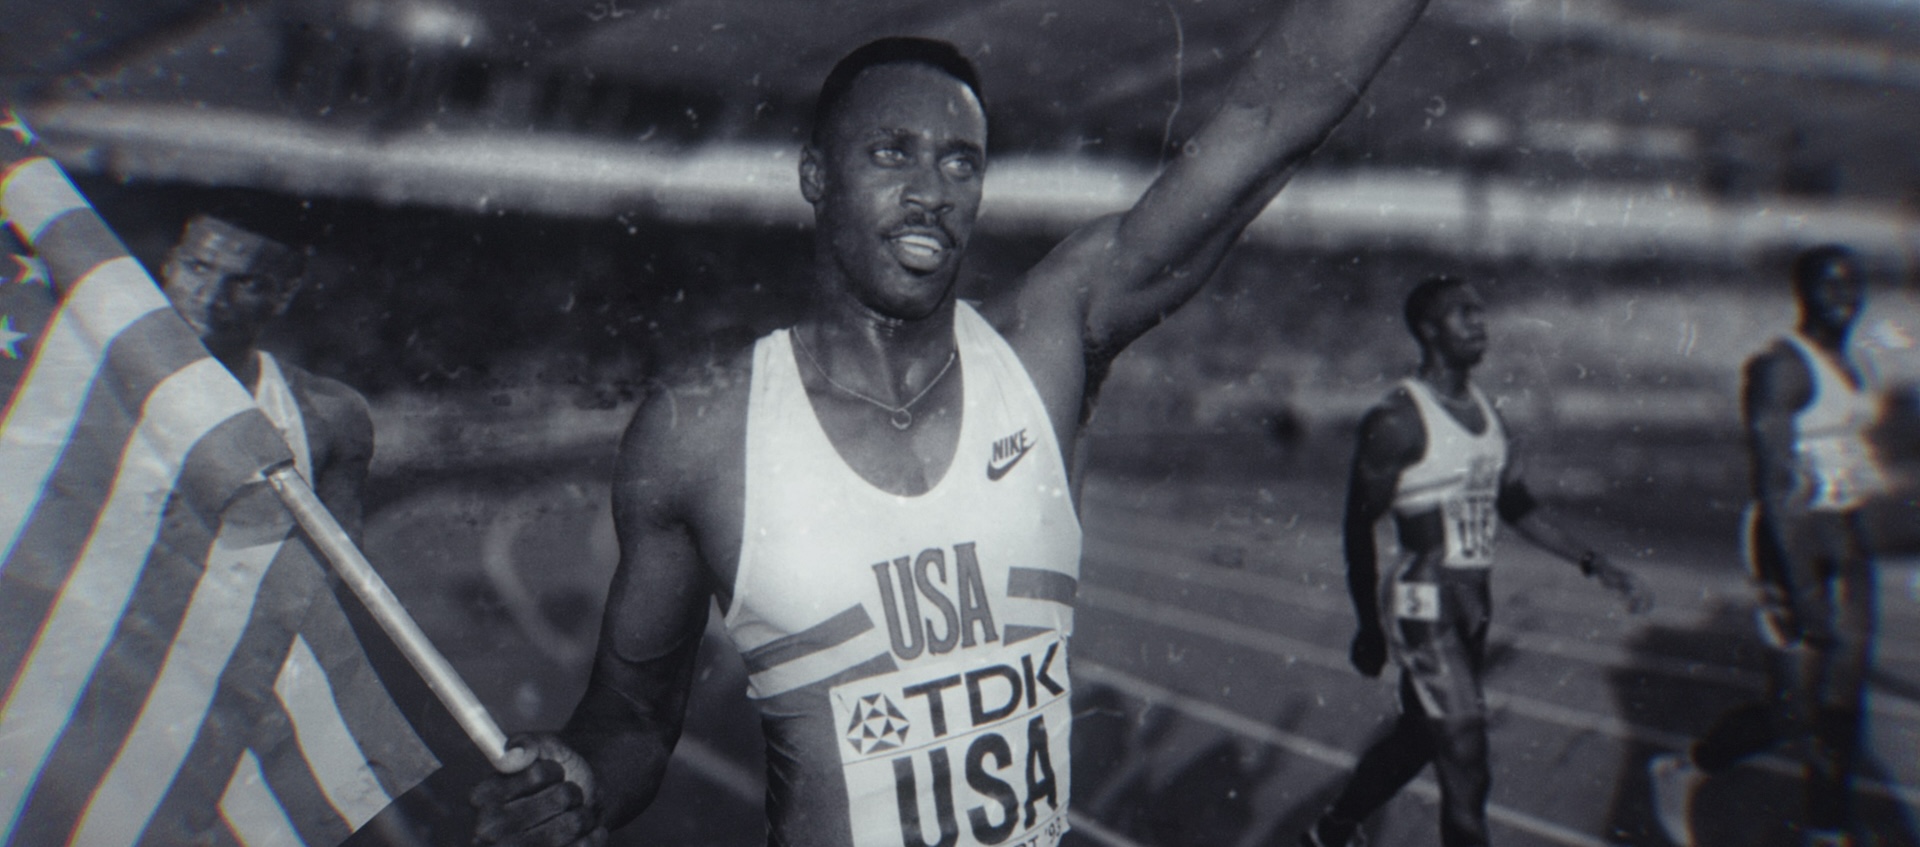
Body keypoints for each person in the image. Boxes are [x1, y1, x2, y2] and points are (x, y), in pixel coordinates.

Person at [469, 4, 1434, 846]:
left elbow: (1270, 122)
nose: (931, 187)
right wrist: (581, 782)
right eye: (891, 152)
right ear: (815, 175)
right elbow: (632, 717)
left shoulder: (1045, 348)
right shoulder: (700, 433)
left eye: (960, 161)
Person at [1303, 276, 1652, 847]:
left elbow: (1514, 503)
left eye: (1481, 314)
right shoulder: (1398, 419)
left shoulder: (1490, 417)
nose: (1479, 325)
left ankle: (1332, 830)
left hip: (1472, 602)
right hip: (1424, 599)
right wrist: (1369, 624)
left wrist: (1596, 562)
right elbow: (1356, 523)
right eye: (1463, 315)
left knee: (1421, 736)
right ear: (1428, 329)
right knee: (1466, 756)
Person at [1648, 245, 1886, 847]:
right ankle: (1685, 770)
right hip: (1792, 545)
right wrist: (1802, 590)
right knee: (1795, 711)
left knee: (1844, 703)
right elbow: (1777, 490)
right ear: (1802, 291)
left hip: (1846, 537)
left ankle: (1827, 829)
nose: (1845, 297)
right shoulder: (1781, 366)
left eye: (1853, 285)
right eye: (1830, 285)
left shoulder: (1854, 364)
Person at [160, 212, 372, 536]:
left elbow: (335, 566)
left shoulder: (322, 414)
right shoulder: (94, 373)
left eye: (246, 283)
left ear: (283, 296)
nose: (210, 298)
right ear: (169, 265)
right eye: (198, 268)